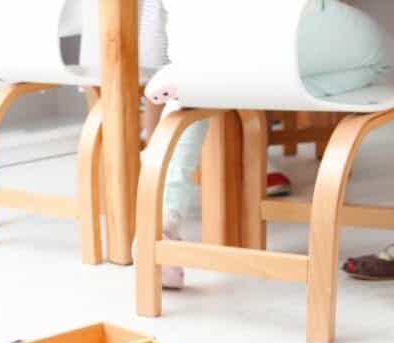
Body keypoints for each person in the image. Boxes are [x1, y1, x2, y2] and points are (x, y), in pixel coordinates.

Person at [145, 0, 390, 288]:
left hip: (196, 40)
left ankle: (164, 218)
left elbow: (152, 27)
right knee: (384, 55)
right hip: (286, 28)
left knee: (194, 80)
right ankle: (297, 88)